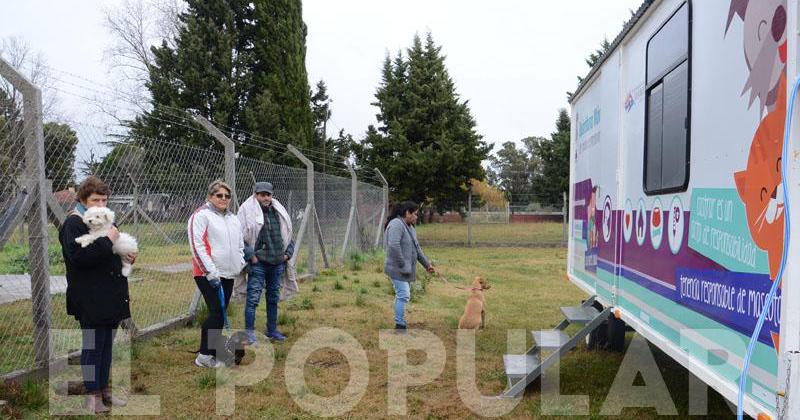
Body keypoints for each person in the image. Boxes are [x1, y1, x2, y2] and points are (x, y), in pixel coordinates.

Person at [59, 176, 135, 413]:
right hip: (90, 297)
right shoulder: (74, 224)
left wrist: (126, 255)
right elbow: (79, 258)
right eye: (95, 200)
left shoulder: (106, 221)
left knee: (106, 347)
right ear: (83, 199)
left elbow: (113, 249)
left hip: (110, 295)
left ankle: (103, 389)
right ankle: (92, 396)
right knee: (93, 346)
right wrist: (108, 239)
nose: (101, 205)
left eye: (104, 200)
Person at [188, 180, 245, 368]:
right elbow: (197, 245)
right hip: (208, 274)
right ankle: (204, 357)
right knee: (216, 313)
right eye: (219, 195)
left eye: (227, 196)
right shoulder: (201, 216)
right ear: (210, 196)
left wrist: (240, 262)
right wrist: (210, 272)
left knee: (219, 313)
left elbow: (239, 245)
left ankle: (212, 351)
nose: (223, 199)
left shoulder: (233, 219)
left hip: (228, 273)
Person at [238, 181, 296, 344]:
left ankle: (272, 330)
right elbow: (239, 238)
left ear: (271, 195)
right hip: (258, 264)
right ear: (255, 194)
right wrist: (251, 256)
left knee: (273, 298)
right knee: (253, 299)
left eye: (268, 194)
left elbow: (289, 235)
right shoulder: (246, 212)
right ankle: (249, 334)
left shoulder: (279, 211)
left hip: (277, 263)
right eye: (262, 194)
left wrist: (287, 255)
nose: (265, 197)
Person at [383, 201, 435, 331]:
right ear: (407, 213)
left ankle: (400, 322)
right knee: (403, 294)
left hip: (405, 269)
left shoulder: (410, 227)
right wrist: (402, 264)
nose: (417, 217)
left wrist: (427, 265)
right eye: (415, 214)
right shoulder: (396, 224)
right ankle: (400, 325)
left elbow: (417, 249)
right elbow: (393, 246)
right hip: (396, 269)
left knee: (402, 295)